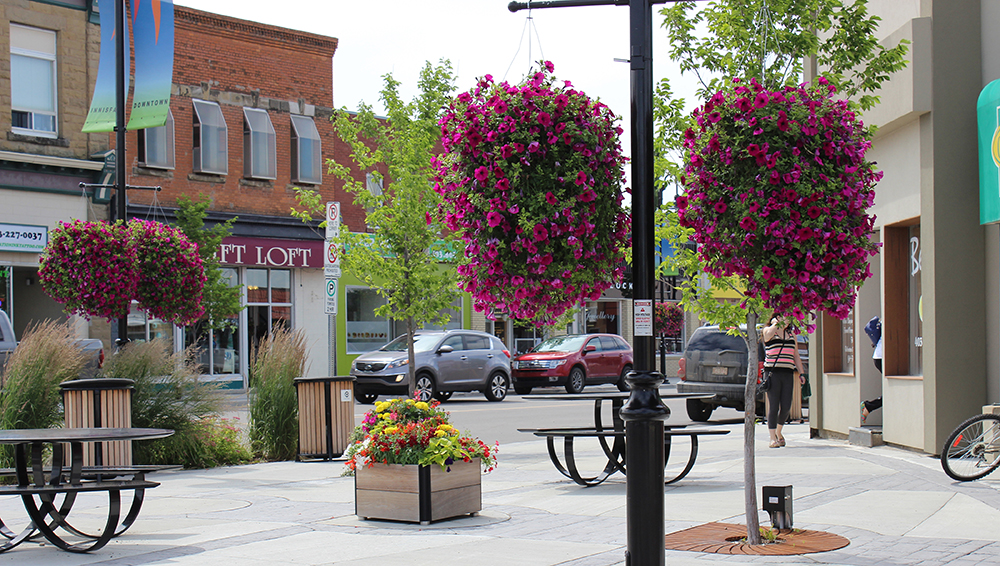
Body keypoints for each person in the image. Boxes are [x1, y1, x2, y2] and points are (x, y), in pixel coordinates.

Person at [762, 315, 806, 448]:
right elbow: (767, 335)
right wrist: (776, 324)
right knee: (774, 406)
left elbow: (796, 355)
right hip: (772, 372)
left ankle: (779, 432)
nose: (787, 320)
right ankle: (772, 438)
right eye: (784, 317)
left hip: (787, 372)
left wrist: (802, 373)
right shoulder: (769, 330)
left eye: (788, 318)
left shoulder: (791, 334)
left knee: (786, 406)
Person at [861, 316, 883, 423]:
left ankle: (869, 407)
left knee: (892, 391)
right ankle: (868, 406)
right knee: (892, 391)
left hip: (879, 356)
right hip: (883, 357)